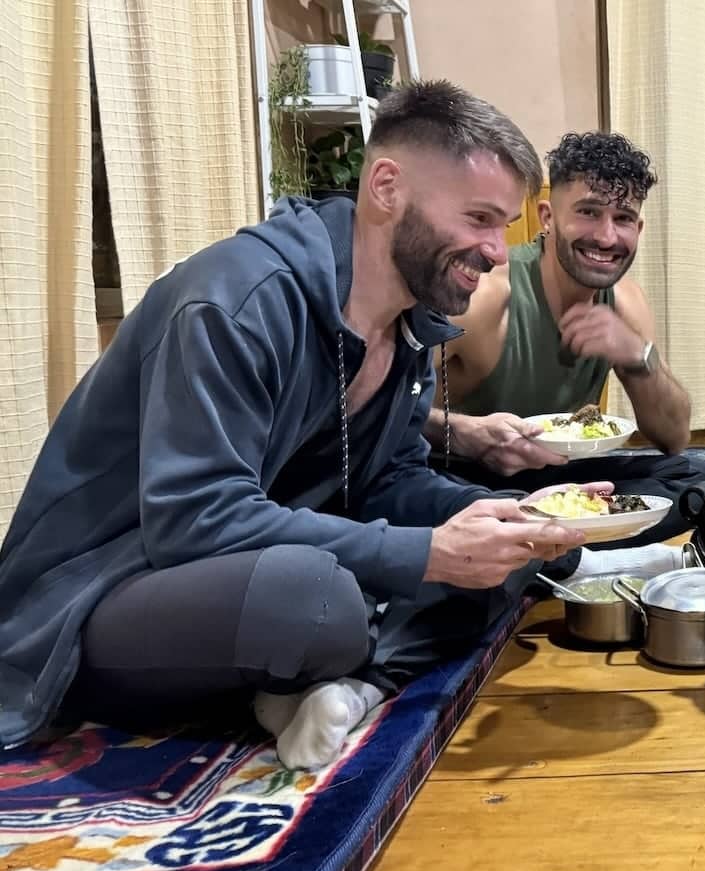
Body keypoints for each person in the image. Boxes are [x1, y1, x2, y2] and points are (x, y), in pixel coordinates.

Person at [0, 82, 655, 771]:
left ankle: (346, 688)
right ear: (387, 186)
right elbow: (192, 521)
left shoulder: (409, 322)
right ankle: (320, 667)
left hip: (245, 574)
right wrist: (425, 555)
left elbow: (392, 480)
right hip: (100, 595)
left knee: (500, 552)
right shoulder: (239, 299)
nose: (499, 251)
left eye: (506, 226)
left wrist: (518, 518)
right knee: (314, 600)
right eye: (480, 219)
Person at [428, 130, 705, 548]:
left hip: (557, 479)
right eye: (589, 212)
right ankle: (558, 548)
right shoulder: (486, 295)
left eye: (623, 218)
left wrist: (637, 354)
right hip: (464, 478)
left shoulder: (626, 302)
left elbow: (673, 438)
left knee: (694, 483)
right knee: (470, 510)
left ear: (639, 227)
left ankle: (550, 550)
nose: (607, 237)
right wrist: (464, 433)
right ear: (547, 217)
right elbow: (373, 412)